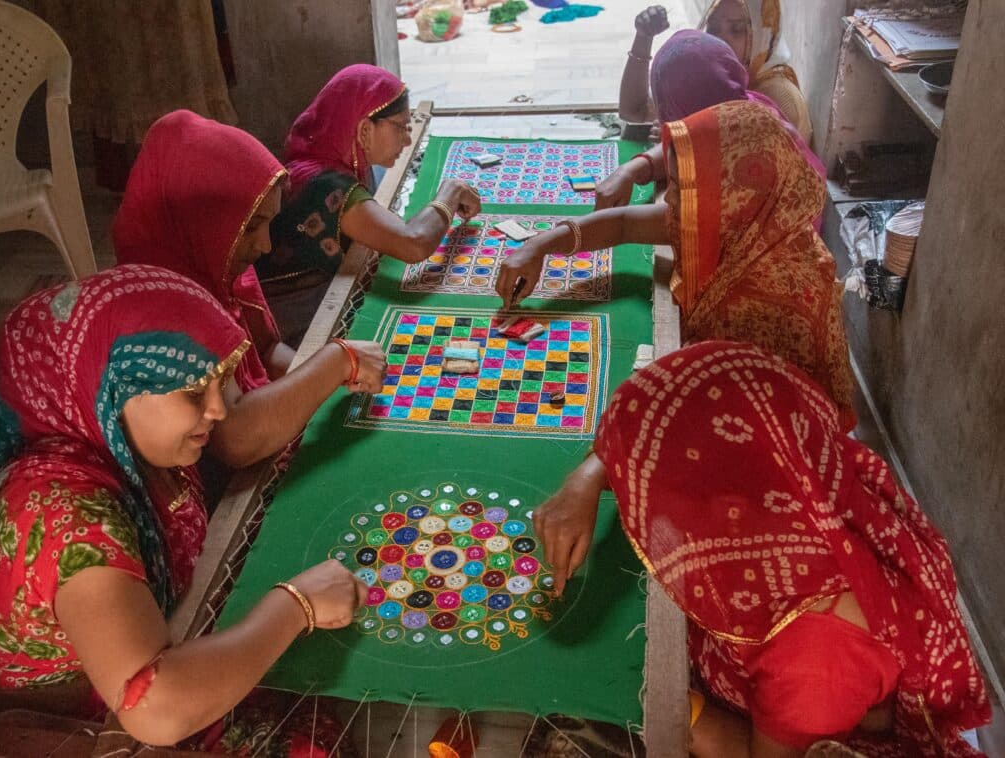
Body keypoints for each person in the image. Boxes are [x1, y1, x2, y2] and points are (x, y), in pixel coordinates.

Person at [534, 340, 990, 758]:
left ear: (726, 513)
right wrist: (586, 481)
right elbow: (660, 418)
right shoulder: (801, 479)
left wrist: (671, 698)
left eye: (662, 499)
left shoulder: (818, 657)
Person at [0, 266, 366, 750]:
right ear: (110, 393)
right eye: (192, 392)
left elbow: (248, 438)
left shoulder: (134, 449)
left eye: (218, 384)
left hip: (143, 656)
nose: (220, 409)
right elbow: (155, 708)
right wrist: (295, 605)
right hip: (66, 723)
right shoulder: (71, 519)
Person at [497, 100, 855, 428]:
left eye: (685, 189)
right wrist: (539, 246)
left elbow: (727, 417)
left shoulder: (779, 298)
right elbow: (622, 223)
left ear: (736, 196)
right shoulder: (745, 226)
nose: (671, 200)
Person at [113, 110, 387, 469]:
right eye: (252, 227)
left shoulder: (220, 265)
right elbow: (235, 438)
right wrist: (334, 362)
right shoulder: (161, 304)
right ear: (203, 220)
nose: (267, 246)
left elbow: (267, 350)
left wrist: (328, 382)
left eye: (268, 225)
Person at [257, 64, 482, 342]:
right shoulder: (325, 187)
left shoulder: (335, 161)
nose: (408, 137)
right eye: (401, 126)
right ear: (364, 130)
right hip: (293, 328)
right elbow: (414, 243)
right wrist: (451, 191)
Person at [600, 28, 825, 222]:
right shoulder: (739, 106)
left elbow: (671, 227)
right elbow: (684, 144)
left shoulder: (746, 162)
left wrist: (591, 228)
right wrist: (630, 171)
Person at [619, 2, 812, 144]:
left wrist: (680, 143)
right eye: (713, 28)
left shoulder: (779, 97)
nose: (722, 38)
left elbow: (750, 174)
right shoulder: (707, 72)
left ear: (763, 33)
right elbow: (634, 110)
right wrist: (643, 38)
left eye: (736, 29)